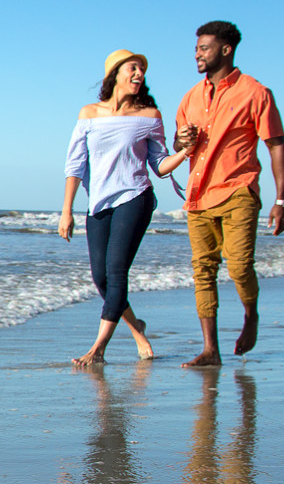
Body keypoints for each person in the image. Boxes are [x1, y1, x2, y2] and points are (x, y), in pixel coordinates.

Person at [61, 49, 193, 366]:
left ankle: (98, 349)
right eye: (133, 68)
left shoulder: (149, 115)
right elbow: (75, 165)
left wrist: (186, 151)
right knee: (101, 278)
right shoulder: (88, 114)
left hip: (135, 197)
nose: (139, 74)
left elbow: (160, 166)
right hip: (99, 203)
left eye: (142, 70)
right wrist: (67, 210)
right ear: (115, 73)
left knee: (117, 271)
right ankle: (138, 330)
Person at [174, 20, 284, 368]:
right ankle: (211, 350)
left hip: (238, 190)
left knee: (239, 266)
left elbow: (276, 146)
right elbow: (178, 144)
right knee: (203, 271)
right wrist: (182, 142)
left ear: (225, 50)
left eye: (204, 48)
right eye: (196, 48)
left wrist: (281, 200)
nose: (197, 53)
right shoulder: (191, 96)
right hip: (198, 195)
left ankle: (250, 314)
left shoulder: (255, 93)